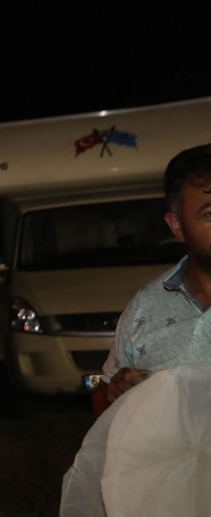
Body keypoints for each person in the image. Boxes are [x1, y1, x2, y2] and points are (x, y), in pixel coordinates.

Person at [90, 142, 211, 418]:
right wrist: (115, 392)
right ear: (177, 226)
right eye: (210, 214)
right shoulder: (145, 306)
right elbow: (104, 393)